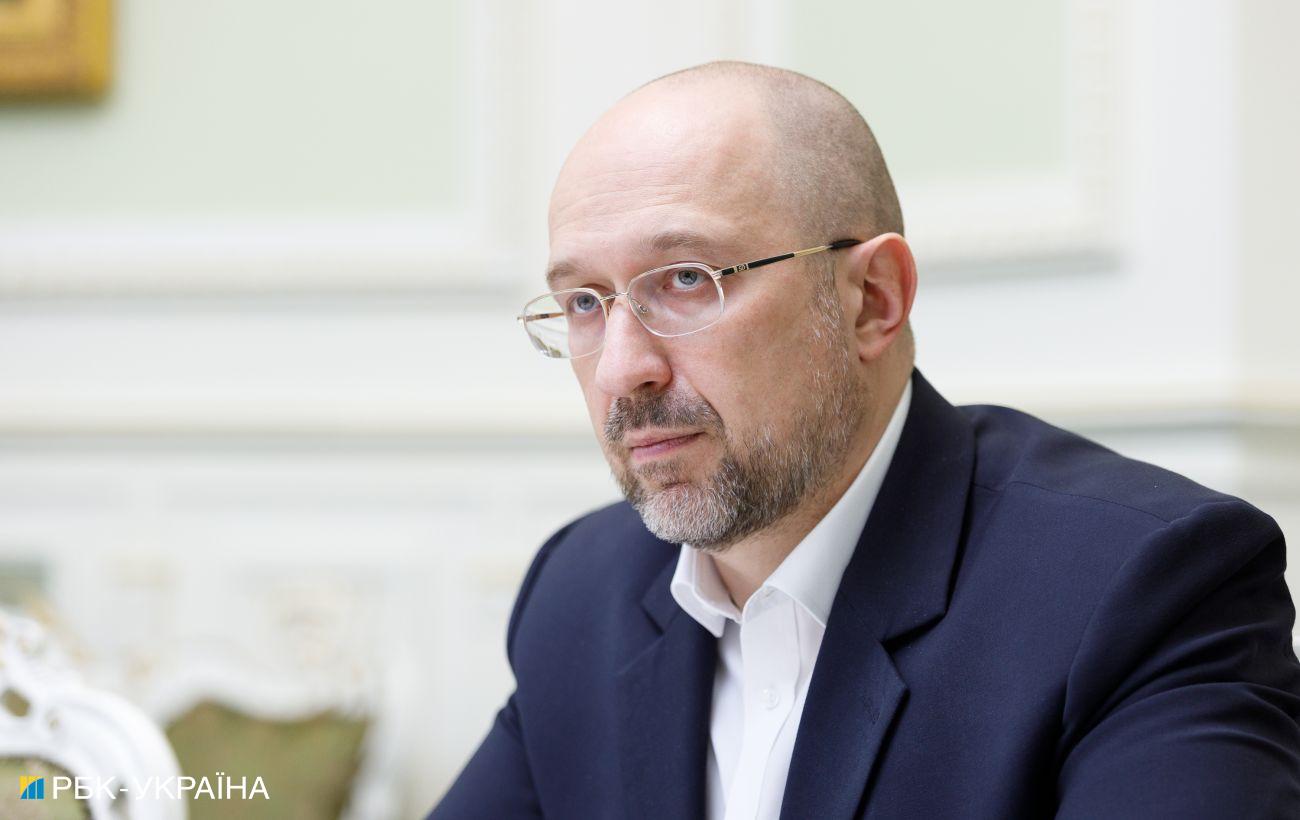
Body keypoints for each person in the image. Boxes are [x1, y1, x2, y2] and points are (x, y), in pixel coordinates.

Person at [430, 61, 1300, 819]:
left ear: (872, 300)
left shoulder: (1139, 589)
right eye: (584, 302)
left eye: (688, 279)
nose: (623, 370)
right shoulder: (583, 594)